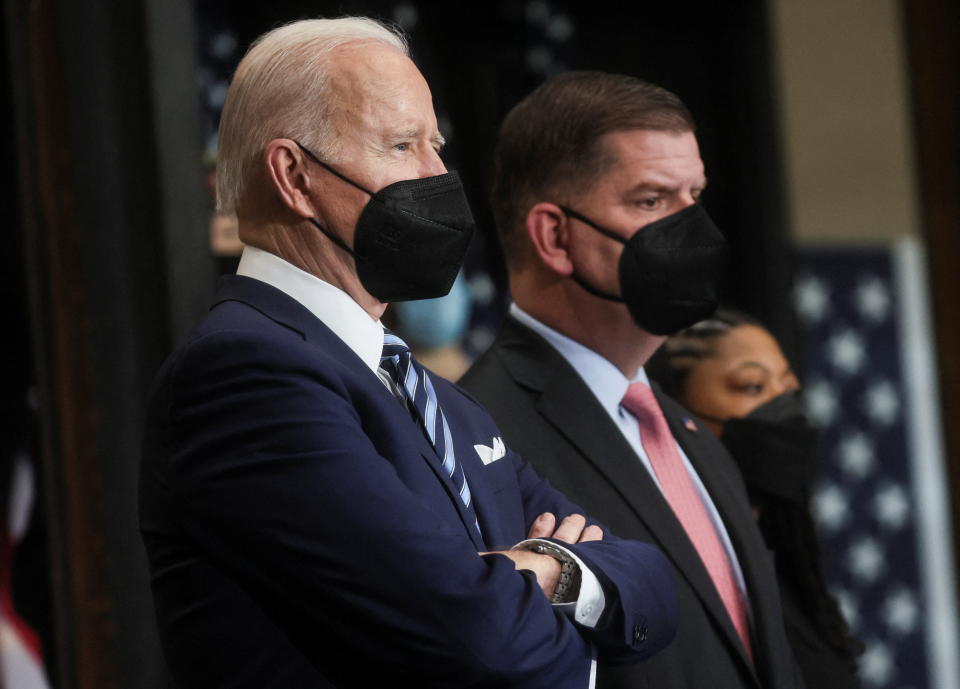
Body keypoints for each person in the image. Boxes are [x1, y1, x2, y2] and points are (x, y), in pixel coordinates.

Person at [139, 18, 678, 689]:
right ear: (295, 176)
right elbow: (479, 640)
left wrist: (545, 567)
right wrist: (550, 598)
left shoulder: (441, 399)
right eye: (401, 145)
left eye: (437, 146)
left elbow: (653, 584)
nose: (438, 174)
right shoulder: (245, 375)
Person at [460, 71, 804, 689]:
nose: (695, 229)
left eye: (694, 196)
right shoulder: (480, 435)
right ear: (555, 236)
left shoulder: (690, 433)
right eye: (652, 200)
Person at [647, 308, 863, 688]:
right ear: (675, 407)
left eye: (789, 389)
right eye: (753, 387)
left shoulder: (790, 572)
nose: (786, 411)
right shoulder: (668, 574)